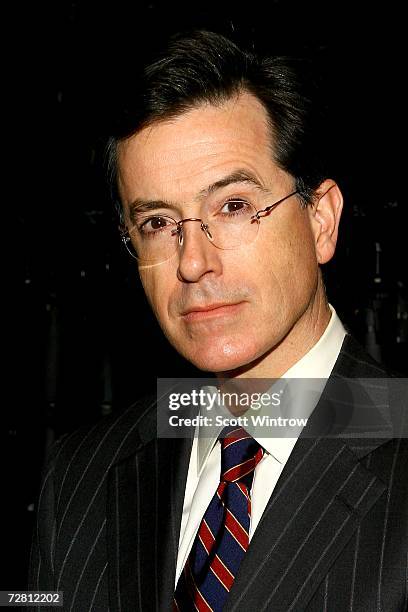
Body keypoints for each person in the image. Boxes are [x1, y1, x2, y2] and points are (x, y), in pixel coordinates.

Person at [29, 30, 407, 611]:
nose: (192, 262)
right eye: (158, 222)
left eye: (232, 206)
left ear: (321, 221)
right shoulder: (82, 475)